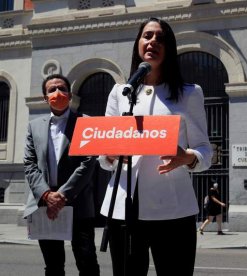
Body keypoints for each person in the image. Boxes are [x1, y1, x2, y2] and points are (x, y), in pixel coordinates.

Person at [98, 17, 212, 276]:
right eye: (147, 36)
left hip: (173, 210)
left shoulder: (190, 93)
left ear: (170, 48)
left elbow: (205, 150)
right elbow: (104, 153)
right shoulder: (120, 93)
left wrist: (188, 157)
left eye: (160, 38)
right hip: (124, 210)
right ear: (138, 43)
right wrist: (110, 155)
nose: (153, 42)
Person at [23, 74, 100, 276]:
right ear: (44, 97)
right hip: (45, 204)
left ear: (70, 94)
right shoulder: (34, 126)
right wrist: (47, 195)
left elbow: (88, 161)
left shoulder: (85, 122)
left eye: (62, 88)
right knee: (53, 265)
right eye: (52, 90)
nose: (58, 93)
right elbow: (30, 164)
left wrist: (62, 195)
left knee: (87, 262)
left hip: (78, 203)